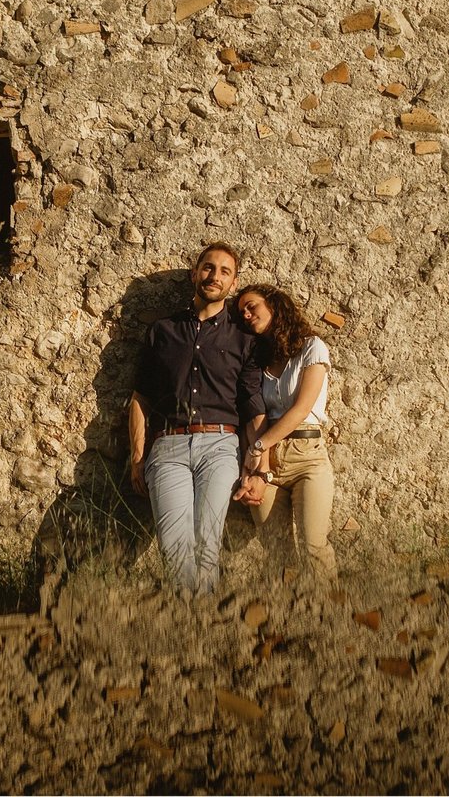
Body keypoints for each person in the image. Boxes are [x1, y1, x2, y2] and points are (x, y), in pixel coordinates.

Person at [127, 242, 267, 594]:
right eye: (208, 267)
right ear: (195, 273)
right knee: (174, 547)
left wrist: (261, 465)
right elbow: (140, 397)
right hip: (168, 447)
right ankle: (186, 623)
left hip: (220, 447)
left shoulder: (243, 339)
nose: (214, 276)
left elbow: (252, 403)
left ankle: (202, 628)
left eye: (224, 271)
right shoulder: (163, 331)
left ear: (232, 284)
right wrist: (137, 455)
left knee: (207, 542)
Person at [231, 284, 338, 581]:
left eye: (252, 306)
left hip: (308, 458)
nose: (247, 314)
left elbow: (301, 409)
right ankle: (288, 616)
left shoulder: (311, 346)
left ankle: (329, 618)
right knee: (276, 550)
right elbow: (253, 413)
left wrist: (258, 447)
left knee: (313, 546)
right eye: (242, 312)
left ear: (274, 305)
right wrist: (255, 460)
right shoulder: (257, 360)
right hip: (268, 463)